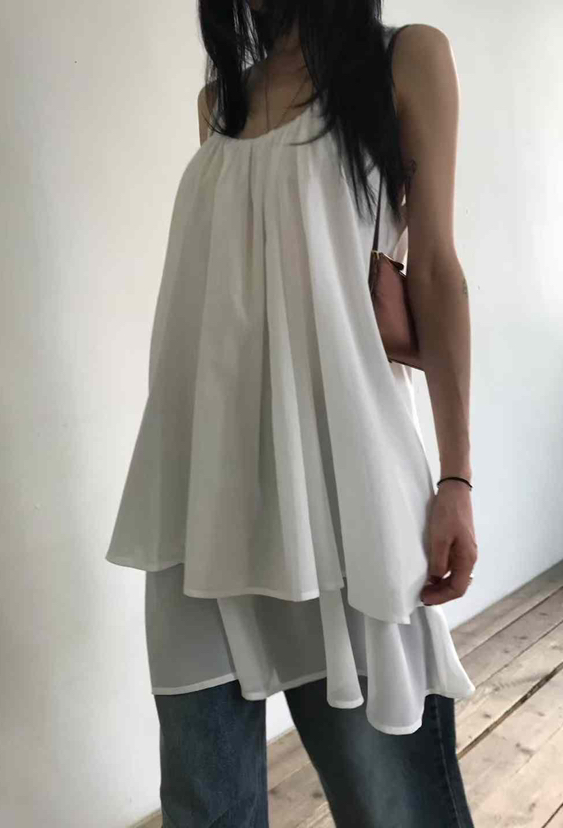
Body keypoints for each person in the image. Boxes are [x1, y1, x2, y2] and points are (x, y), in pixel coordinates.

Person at [105, 3, 479, 826]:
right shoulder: (220, 104)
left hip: (347, 494)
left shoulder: (404, 61)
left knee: (395, 807)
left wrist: (456, 478)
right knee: (205, 806)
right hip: (200, 495)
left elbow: (435, 272)